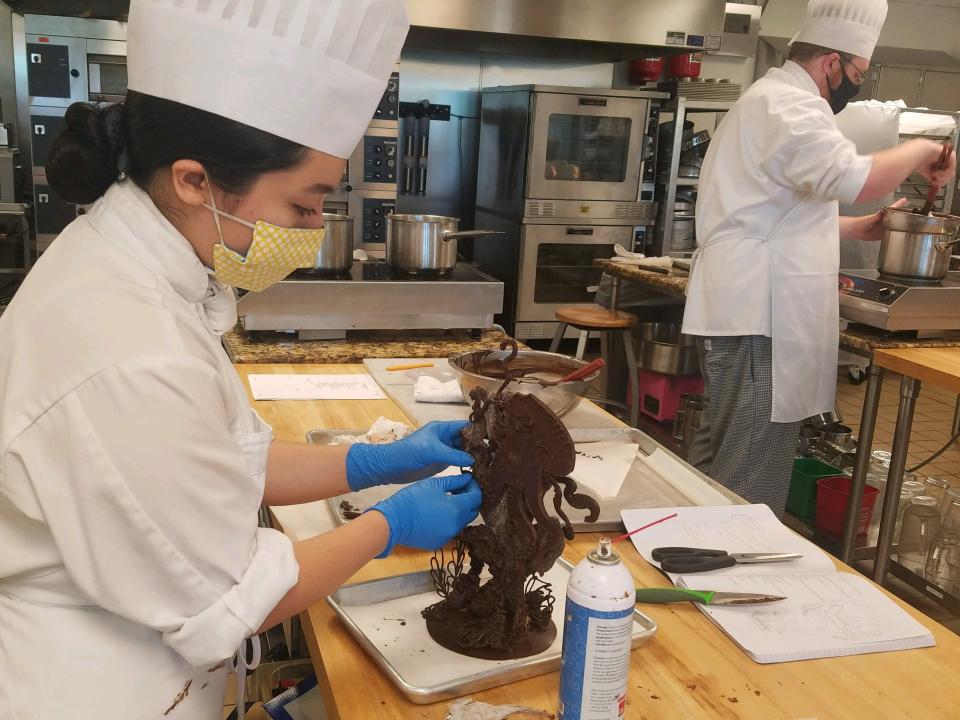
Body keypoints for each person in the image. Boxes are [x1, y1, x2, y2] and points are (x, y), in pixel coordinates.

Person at [0, 2, 483, 718]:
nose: (315, 230)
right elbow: (235, 596)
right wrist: (387, 526)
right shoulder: (128, 346)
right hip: (95, 687)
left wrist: (370, 463)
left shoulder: (146, 271)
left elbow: (221, 463)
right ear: (195, 181)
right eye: (303, 204)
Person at [682, 0, 956, 515]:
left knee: (725, 452)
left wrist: (860, 228)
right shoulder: (788, 106)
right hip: (759, 315)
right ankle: (726, 571)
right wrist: (923, 149)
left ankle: (693, 555)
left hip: (749, 306)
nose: (858, 83)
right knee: (749, 465)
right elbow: (855, 178)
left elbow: (775, 215)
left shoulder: (770, 99)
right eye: (858, 72)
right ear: (832, 63)